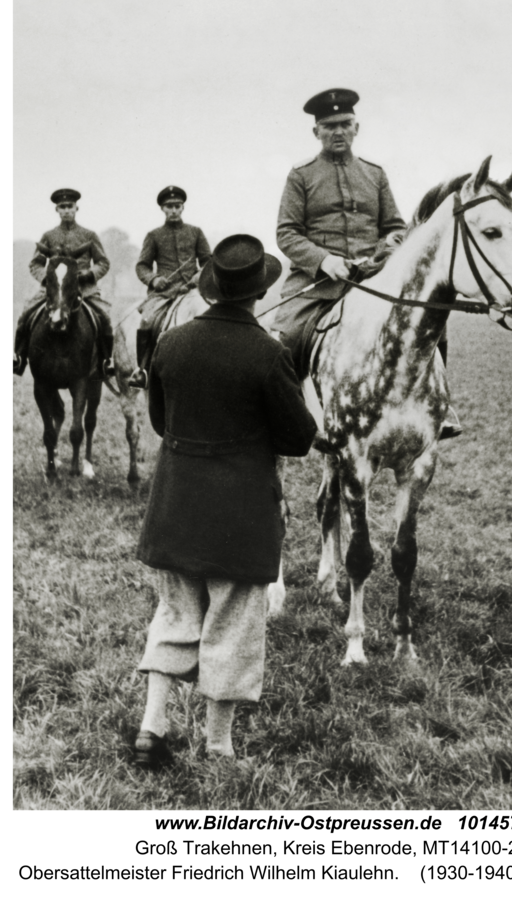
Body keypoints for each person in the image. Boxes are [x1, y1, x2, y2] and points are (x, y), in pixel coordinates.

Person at [134, 234, 317, 767]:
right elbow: (300, 438)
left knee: (174, 615)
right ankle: (219, 747)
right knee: (232, 627)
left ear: (212, 288)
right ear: (259, 292)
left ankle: (152, 727)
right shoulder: (269, 352)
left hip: (175, 506)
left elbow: (161, 423)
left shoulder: (169, 344)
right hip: (240, 514)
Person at [273, 88, 460, 437]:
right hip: (318, 283)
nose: (338, 131)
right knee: (286, 338)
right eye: (329, 126)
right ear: (316, 132)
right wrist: (324, 260)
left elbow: (394, 228)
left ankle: (440, 406)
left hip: (375, 278)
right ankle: (292, 412)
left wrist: (387, 247)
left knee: (432, 318)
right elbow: (286, 233)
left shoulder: (375, 174)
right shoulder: (300, 175)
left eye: (345, 124)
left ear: (357, 127)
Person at [13, 188, 115, 377]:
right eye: (62, 207)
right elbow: (35, 263)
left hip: (85, 290)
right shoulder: (48, 236)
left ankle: (107, 361)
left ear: (77, 208)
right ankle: (18, 357)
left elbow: (103, 262)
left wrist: (89, 274)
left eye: (70, 206)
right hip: (53, 290)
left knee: (105, 318)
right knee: (25, 314)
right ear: (57, 210)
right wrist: (47, 278)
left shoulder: (89, 235)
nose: (66, 210)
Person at [128, 185, 211, 389]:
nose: (173, 210)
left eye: (177, 206)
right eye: (169, 206)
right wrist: (154, 279)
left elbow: (208, 262)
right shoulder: (154, 235)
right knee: (146, 321)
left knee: (212, 314)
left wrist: (198, 278)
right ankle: (143, 370)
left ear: (183, 208)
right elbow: (142, 266)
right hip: (163, 293)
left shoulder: (196, 232)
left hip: (192, 291)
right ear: (162, 209)